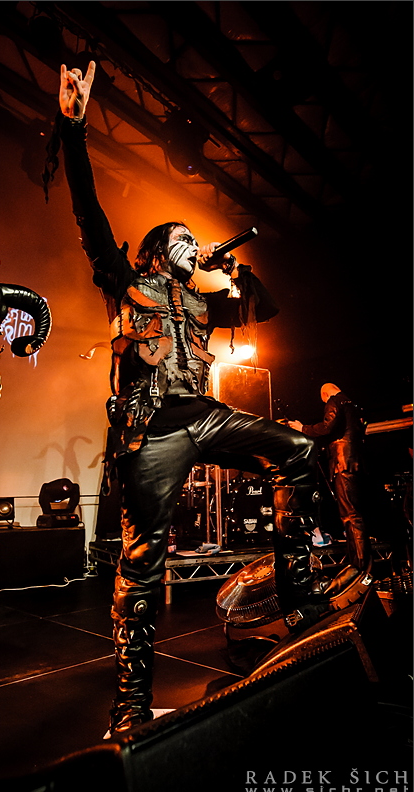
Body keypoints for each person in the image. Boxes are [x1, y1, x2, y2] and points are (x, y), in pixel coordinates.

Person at [52, 62, 338, 736]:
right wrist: (72, 130)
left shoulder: (204, 301)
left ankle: (300, 604)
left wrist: (230, 266)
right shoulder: (127, 282)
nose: (189, 244)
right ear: (156, 255)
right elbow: (89, 214)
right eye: (178, 239)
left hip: (204, 417)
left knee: (299, 450)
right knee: (141, 564)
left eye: (191, 238)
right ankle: (129, 706)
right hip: (150, 429)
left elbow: (264, 306)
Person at [288, 383, 372, 574]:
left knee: (350, 515)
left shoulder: (335, 401)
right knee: (356, 514)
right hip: (356, 462)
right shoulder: (353, 405)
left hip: (343, 462)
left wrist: (303, 428)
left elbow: (328, 427)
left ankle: (360, 568)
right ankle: (361, 563)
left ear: (325, 394)